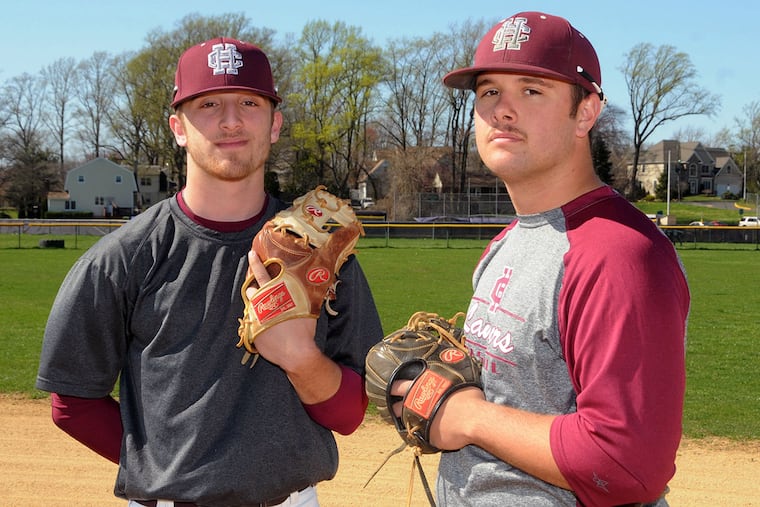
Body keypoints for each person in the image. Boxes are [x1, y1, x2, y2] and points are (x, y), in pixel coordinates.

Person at [36, 37, 383, 507]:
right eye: (209, 104)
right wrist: (162, 468)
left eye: (249, 102)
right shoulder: (122, 258)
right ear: (178, 127)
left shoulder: (320, 250)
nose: (231, 120)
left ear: (275, 123)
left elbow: (349, 414)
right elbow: (71, 403)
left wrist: (301, 358)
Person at [404, 12, 690, 506]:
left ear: (586, 113)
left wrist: (468, 416)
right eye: (489, 91)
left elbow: (627, 463)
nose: (502, 111)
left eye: (531, 90)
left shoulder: (617, 253)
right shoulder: (514, 237)